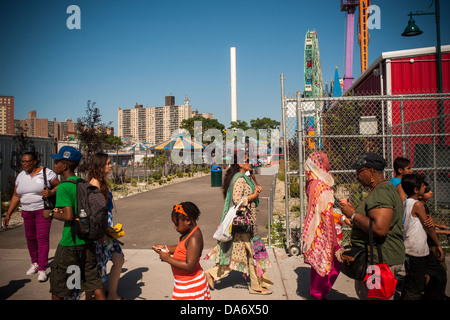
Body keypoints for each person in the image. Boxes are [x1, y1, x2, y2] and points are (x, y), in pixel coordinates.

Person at [204, 152, 273, 295]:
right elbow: (237, 200)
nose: (251, 163)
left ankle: (212, 274)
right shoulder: (239, 179)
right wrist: (253, 195)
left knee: (241, 254)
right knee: (252, 253)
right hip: (243, 223)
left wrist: (256, 187)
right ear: (240, 163)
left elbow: (248, 192)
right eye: (248, 161)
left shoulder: (244, 177)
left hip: (248, 222)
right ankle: (256, 286)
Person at [340, 152, 405, 300]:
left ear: (371, 171)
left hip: (379, 262)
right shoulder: (381, 189)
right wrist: (357, 221)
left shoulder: (382, 192)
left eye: (359, 171)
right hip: (378, 258)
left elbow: (379, 229)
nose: (356, 175)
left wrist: (354, 214)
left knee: (375, 296)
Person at [43, 146, 106, 300]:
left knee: (59, 287)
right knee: (93, 282)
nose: (55, 164)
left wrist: (50, 213)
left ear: (64, 166)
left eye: (57, 162)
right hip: (87, 241)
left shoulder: (64, 187)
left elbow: (69, 216)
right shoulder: (82, 184)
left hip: (70, 243)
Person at [3, 151, 60, 282]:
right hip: (26, 211)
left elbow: (59, 185)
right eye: (22, 161)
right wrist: (8, 214)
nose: (23, 164)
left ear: (34, 162)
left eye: (26, 162)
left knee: (42, 238)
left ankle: (42, 268)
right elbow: (16, 195)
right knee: (30, 238)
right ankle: (34, 263)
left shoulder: (46, 172)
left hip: (43, 210)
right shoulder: (21, 176)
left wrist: (50, 192)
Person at [303, 152, 349, 300]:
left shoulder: (312, 182)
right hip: (325, 229)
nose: (327, 163)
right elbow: (325, 211)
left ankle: (317, 292)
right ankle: (318, 293)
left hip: (317, 228)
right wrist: (341, 218)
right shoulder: (319, 184)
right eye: (324, 160)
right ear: (318, 164)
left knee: (320, 261)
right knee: (330, 261)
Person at [400, 174, 446, 300]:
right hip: (416, 251)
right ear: (416, 190)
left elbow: (426, 223)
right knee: (414, 286)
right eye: (423, 185)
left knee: (438, 274)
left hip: (419, 250)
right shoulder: (417, 205)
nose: (425, 187)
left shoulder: (406, 202)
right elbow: (429, 227)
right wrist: (438, 244)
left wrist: (430, 222)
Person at [153, 202, 211, 300]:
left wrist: (167, 258)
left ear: (188, 220)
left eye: (176, 224)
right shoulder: (188, 233)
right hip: (184, 283)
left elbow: (189, 265)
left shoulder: (194, 238)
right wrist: (166, 248)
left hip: (191, 286)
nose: (175, 227)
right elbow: (183, 247)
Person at [87, 152, 125, 300]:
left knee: (118, 259)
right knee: (99, 269)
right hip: (101, 233)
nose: (111, 165)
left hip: (108, 232)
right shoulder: (94, 184)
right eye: (108, 163)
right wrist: (100, 233)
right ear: (100, 166)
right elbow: (94, 212)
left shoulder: (102, 182)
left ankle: (112, 294)